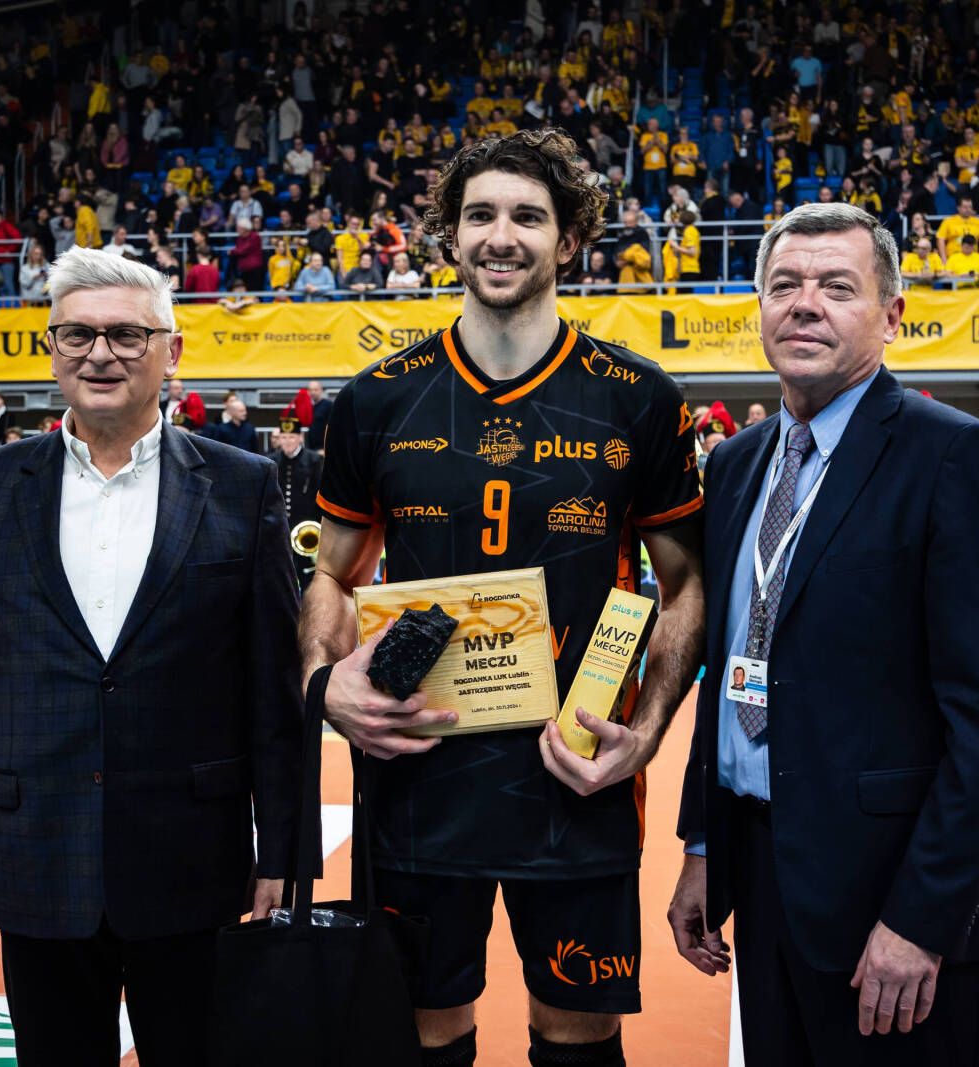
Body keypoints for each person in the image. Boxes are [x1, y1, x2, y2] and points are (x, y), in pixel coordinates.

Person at [301, 129, 705, 1067]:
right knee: (422, 1034)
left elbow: (687, 585)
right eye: (479, 214)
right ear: (450, 234)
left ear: (570, 240)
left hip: (577, 777)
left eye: (528, 216)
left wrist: (645, 733)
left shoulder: (640, 398)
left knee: (577, 1039)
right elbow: (331, 574)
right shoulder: (377, 399)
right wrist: (327, 684)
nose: (501, 235)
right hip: (415, 776)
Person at [0, 247, 305, 1063]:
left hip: (193, 861)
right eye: (77, 334)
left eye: (128, 334)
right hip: (35, 857)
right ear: (51, 348)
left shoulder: (244, 485)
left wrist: (286, 856)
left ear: (172, 350)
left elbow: (274, 693)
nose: (100, 353)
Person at [670, 202, 979, 1065]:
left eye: (837, 286)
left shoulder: (956, 458)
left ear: (892, 314)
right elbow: (733, 666)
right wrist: (704, 846)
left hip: (891, 893)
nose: (805, 303)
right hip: (761, 871)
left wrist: (922, 918)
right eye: (784, 285)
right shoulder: (735, 463)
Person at [266, 394, 323, 593]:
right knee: (280, 577)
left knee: (308, 578)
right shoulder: (271, 461)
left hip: (307, 529)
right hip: (280, 530)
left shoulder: (314, 461)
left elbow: (320, 494)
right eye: (283, 437)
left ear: (300, 437)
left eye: (291, 437)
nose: (287, 441)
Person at [305, 379, 332, 452]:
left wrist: (326, 448)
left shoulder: (328, 405)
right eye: (310, 390)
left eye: (315, 390)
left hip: (323, 449)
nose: (313, 392)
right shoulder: (308, 407)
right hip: (310, 449)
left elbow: (331, 428)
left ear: (321, 390)